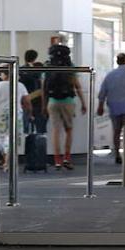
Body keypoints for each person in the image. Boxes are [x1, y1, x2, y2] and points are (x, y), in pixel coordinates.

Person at [43, 43, 86, 171]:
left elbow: (44, 87)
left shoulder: (48, 65)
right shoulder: (69, 66)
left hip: (52, 101)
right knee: (68, 130)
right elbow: (76, 85)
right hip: (68, 100)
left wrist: (44, 105)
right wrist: (83, 103)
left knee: (56, 131)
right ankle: (67, 158)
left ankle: (57, 161)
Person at [0, 68, 29, 171]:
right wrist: (30, 113)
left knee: (1, 138)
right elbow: (27, 101)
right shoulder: (20, 85)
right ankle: (8, 161)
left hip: (1, 114)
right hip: (16, 113)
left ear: (5, 75)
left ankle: (6, 160)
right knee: (13, 138)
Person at [19, 49, 48, 135]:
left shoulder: (21, 69)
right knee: (40, 128)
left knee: (26, 127)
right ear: (35, 58)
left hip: (24, 101)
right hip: (36, 101)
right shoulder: (37, 70)